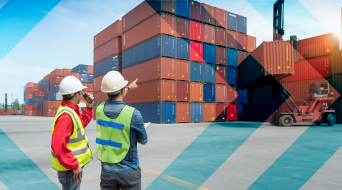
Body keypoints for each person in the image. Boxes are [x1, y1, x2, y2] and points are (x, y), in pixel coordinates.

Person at [96, 71, 148, 190]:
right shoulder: (133, 114)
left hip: (106, 172)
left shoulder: (99, 108)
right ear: (121, 89)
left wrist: (128, 87)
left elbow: (114, 98)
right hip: (129, 171)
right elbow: (144, 140)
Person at [51, 76, 94, 190]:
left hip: (70, 167)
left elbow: (81, 123)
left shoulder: (70, 109)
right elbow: (58, 146)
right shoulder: (66, 116)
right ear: (76, 94)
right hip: (70, 170)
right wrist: (74, 165)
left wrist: (88, 106)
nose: (82, 94)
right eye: (80, 92)